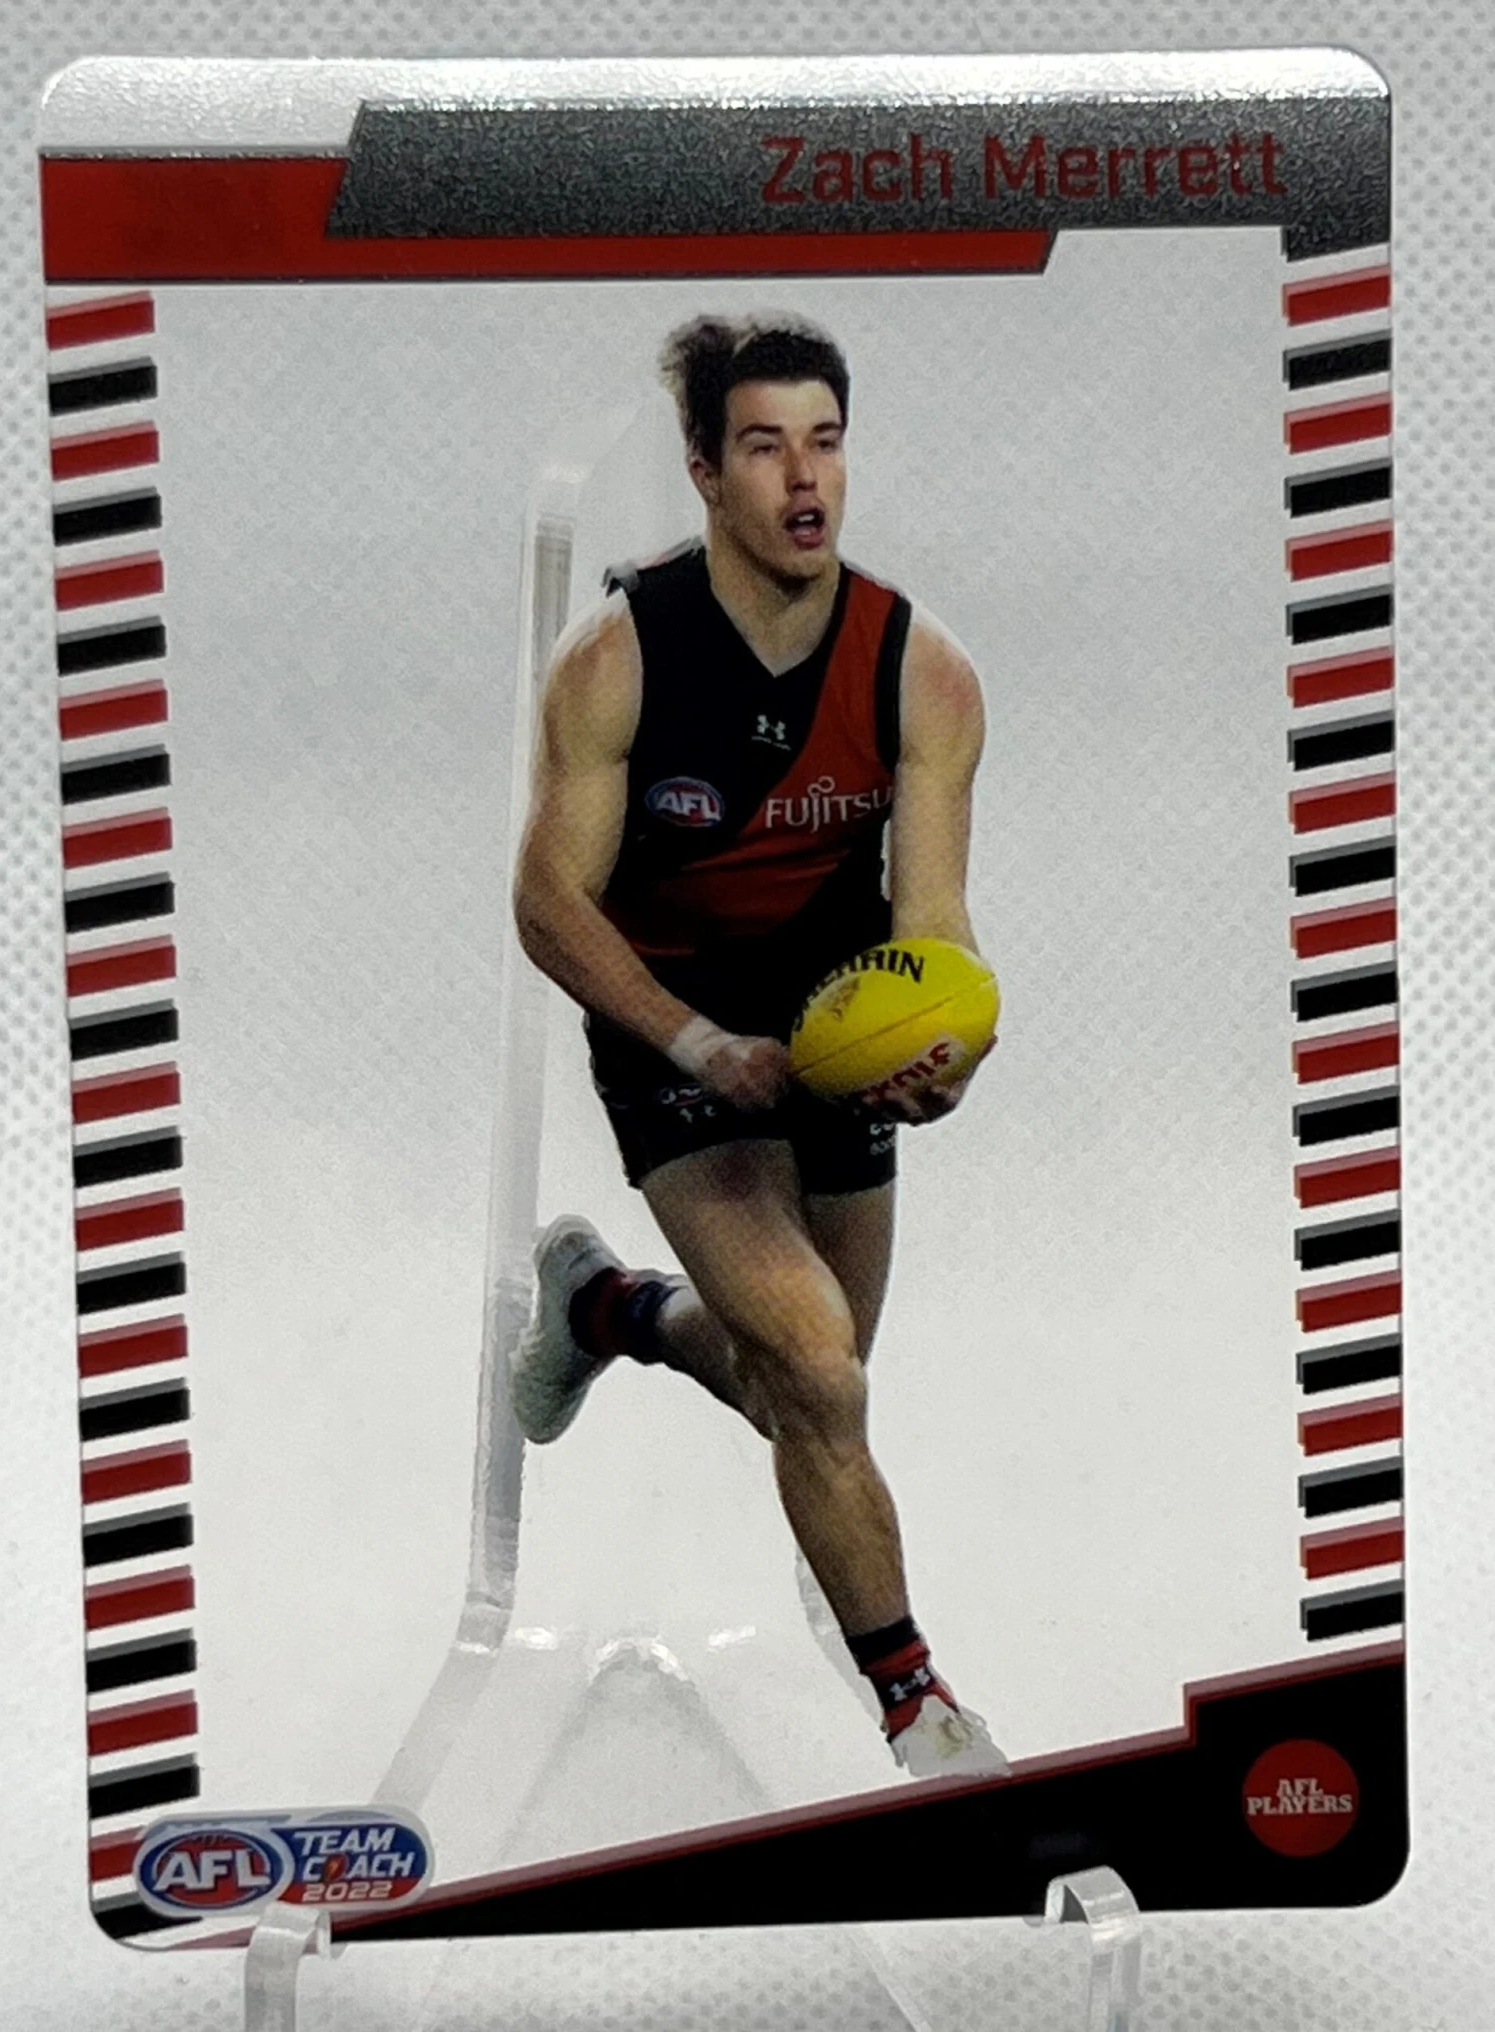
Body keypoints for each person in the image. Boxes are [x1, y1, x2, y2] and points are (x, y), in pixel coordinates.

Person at [511, 312, 1004, 1779]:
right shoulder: (618, 660)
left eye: (826, 443)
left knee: (802, 1379)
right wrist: (693, 1040)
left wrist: (945, 1050)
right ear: (705, 472)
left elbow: (934, 925)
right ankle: (922, 1713)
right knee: (819, 1373)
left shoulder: (922, 673)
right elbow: (548, 904)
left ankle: (605, 1308)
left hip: (829, 1040)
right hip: (671, 1036)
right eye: (766, 446)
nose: (804, 479)